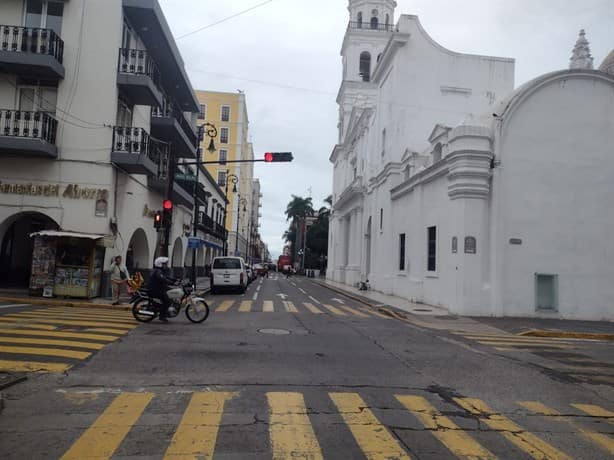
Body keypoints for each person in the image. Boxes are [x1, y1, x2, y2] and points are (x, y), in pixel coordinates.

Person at [147, 257, 177, 322]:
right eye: (164, 264)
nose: (166, 265)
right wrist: (171, 283)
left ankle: (165, 311)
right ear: (160, 264)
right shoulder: (158, 272)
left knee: (170, 293)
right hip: (155, 290)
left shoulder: (159, 271)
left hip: (159, 288)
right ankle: (162, 316)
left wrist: (175, 280)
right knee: (168, 301)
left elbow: (166, 277)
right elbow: (163, 279)